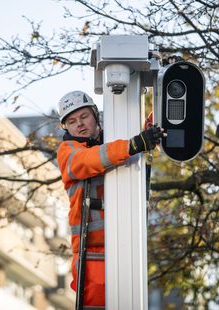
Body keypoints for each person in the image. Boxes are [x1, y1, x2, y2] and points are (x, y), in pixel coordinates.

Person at [56, 90, 163, 307]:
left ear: (96, 115)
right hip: (92, 254)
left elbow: (144, 131)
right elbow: (90, 159)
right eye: (72, 121)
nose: (80, 124)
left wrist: (164, 99)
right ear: (66, 127)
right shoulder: (68, 151)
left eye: (84, 116)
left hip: (128, 245)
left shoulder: (116, 138)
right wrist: (133, 145)